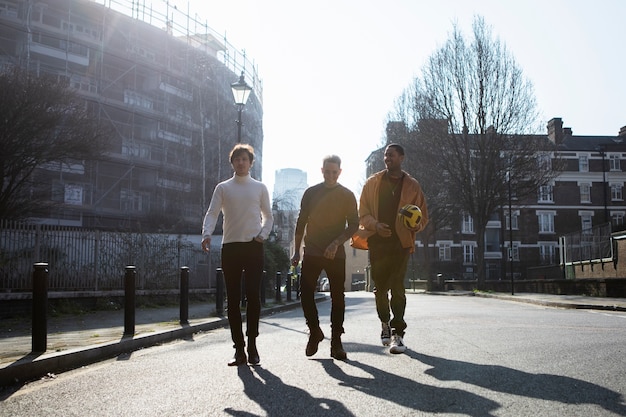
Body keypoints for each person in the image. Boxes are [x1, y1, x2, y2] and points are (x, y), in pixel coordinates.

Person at [202, 144, 273, 366]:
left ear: (251, 163)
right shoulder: (223, 188)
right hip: (230, 247)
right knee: (232, 299)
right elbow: (212, 212)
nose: (241, 162)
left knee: (253, 296)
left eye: (244, 159)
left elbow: (268, 216)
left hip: (253, 246)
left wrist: (263, 235)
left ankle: (253, 347)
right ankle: (239, 349)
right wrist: (206, 234)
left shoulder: (259, 187)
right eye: (237, 159)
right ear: (232, 163)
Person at [357, 143, 428, 354]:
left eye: (392, 155)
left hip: (401, 244)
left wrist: (415, 224)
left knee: (398, 287)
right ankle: (384, 324)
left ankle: (398, 334)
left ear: (402, 158)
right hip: (378, 243)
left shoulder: (413, 186)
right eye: (385, 155)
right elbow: (363, 213)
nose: (387, 158)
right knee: (380, 289)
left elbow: (422, 217)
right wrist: (376, 226)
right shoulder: (372, 183)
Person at [291, 155, 359, 360]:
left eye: (334, 172)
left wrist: (336, 242)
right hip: (312, 250)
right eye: (327, 171)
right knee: (305, 294)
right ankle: (314, 331)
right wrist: (296, 251)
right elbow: (301, 223)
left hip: (335, 253)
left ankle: (336, 342)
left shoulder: (347, 195)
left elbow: (354, 225)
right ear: (322, 171)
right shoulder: (311, 193)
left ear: (340, 172)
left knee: (337, 297)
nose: (330, 175)